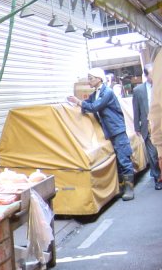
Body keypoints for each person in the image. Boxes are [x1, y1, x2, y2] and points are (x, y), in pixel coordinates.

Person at [67, 67, 135, 201]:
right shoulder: (96, 93)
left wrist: (79, 102)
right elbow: (88, 103)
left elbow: (95, 107)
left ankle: (129, 189)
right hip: (110, 132)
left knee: (124, 159)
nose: (89, 81)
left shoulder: (107, 92)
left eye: (91, 78)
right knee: (118, 161)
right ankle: (122, 187)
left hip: (117, 130)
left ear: (99, 79)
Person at [132, 63, 161, 190]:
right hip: (148, 126)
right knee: (153, 155)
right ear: (145, 75)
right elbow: (136, 109)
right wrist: (137, 127)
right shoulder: (138, 90)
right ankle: (157, 178)